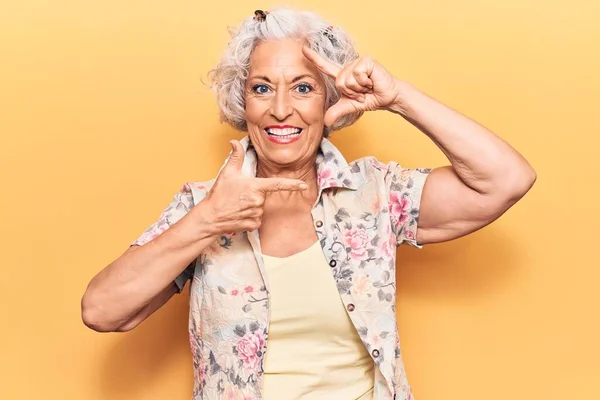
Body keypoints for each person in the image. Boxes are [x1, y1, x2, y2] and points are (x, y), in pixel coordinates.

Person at [81, 7, 536, 400]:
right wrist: (208, 221)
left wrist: (398, 98)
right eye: (262, 88)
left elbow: (506, 180)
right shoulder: (203, 206)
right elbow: (102, 311)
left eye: (303, 88)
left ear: (329, 99)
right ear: (243, 101)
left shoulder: (375, 193)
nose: (281, 109)